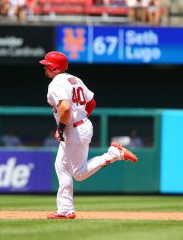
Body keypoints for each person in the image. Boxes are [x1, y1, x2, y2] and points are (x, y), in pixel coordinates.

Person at [39, 51, 138, 219]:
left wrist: (62, 128)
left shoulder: (56, 84)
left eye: (47, 65)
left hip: (73, 129)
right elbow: (91, 103)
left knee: (78, 173)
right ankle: (64, 209)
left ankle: (113, 154)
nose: (45, 68)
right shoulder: (75, 79)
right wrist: (81, 119)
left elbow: (65, 107)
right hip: (81, 125)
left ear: (55, 67)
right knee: (61, 166)